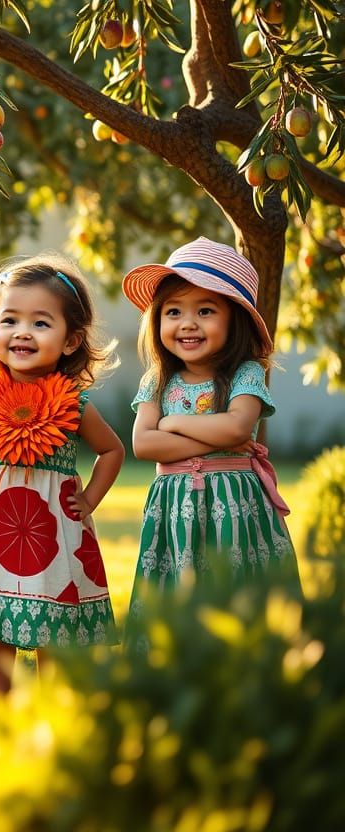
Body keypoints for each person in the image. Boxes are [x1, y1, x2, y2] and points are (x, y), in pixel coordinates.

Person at [0, 254, 124, 727]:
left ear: (71, 341)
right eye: (10, 320)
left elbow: (112, 452)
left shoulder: (75, 402)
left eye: (40, 322)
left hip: (54, 529)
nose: (22, 332)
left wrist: (88, 501)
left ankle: (50, 707)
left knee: (54, 623)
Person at [122, 237, 298, 646]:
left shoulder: (246, 374)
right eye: (173, 312)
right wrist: (207, 435)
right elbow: (144, 445)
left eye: (205, 310)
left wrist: (172, 424)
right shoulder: (156, 381)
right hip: (174, 506)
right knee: (175, 587)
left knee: (236, 589)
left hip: (234, 505)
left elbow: (237, 429)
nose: (187, 323)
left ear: (234, 320)